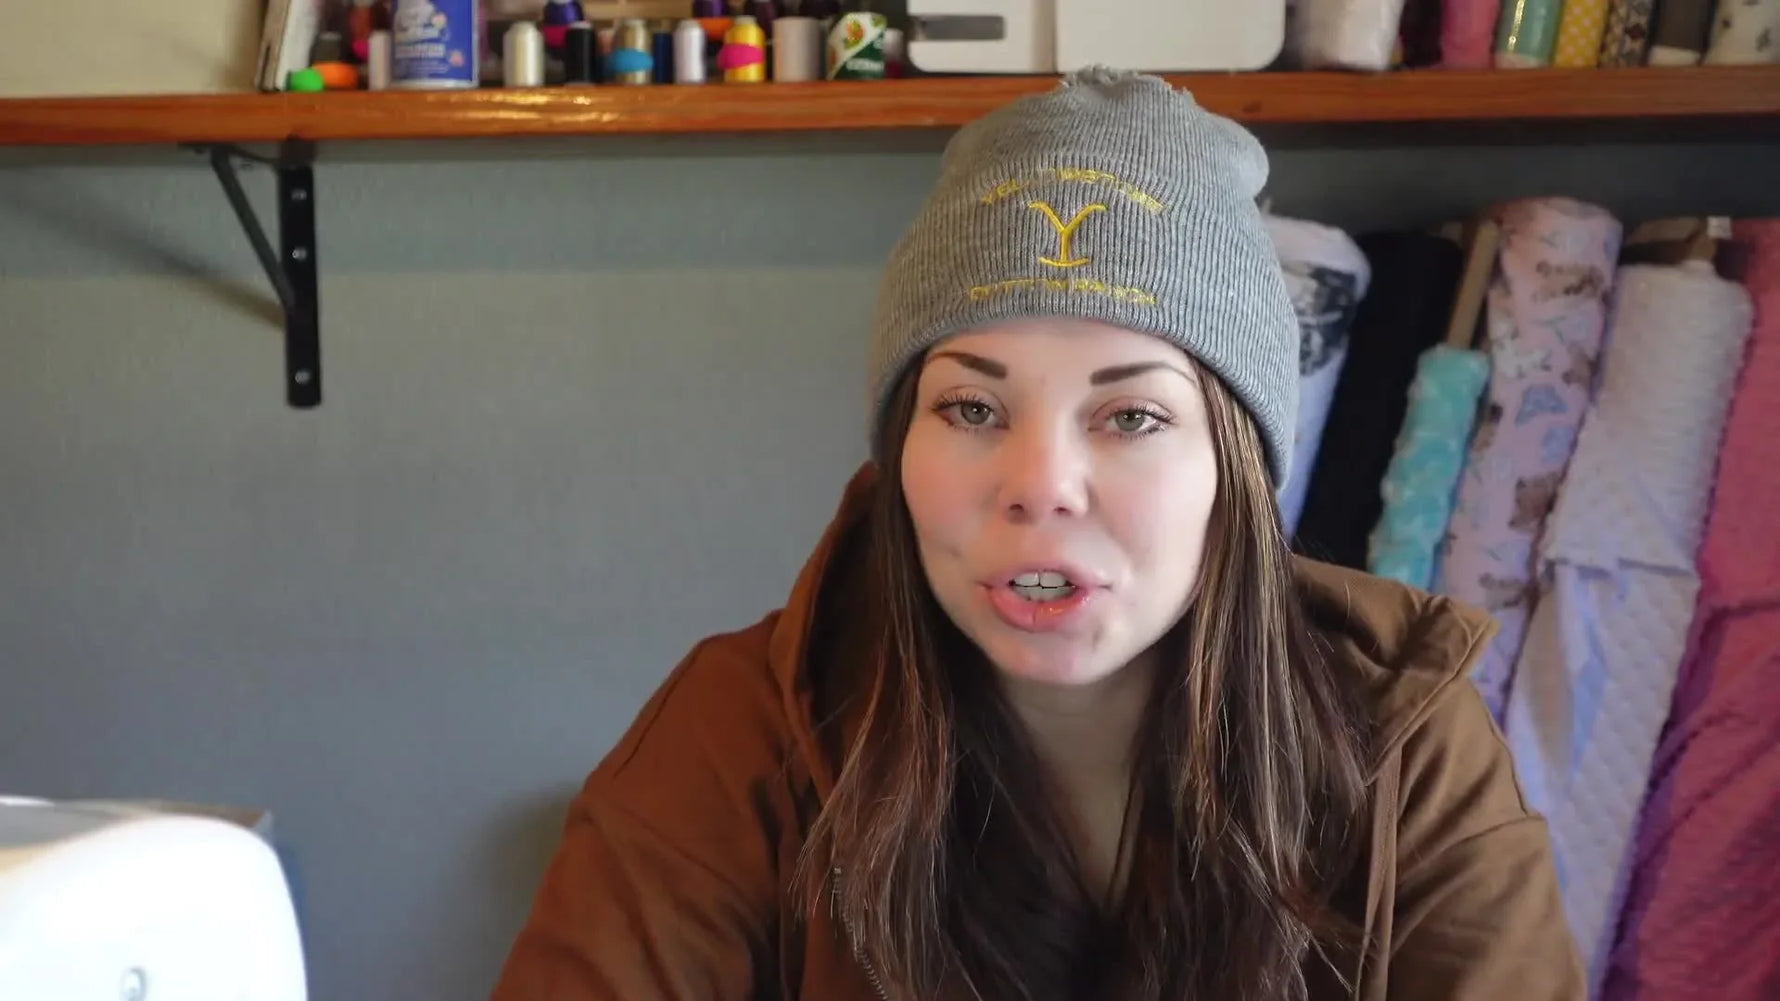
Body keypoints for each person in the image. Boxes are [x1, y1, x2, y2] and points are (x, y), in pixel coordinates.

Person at [490, 68, 1585, 1001]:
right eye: (971, 408)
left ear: (1234, 471)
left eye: (1132, 417)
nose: (1039, 486)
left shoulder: (1403, 734)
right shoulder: (738, 728)